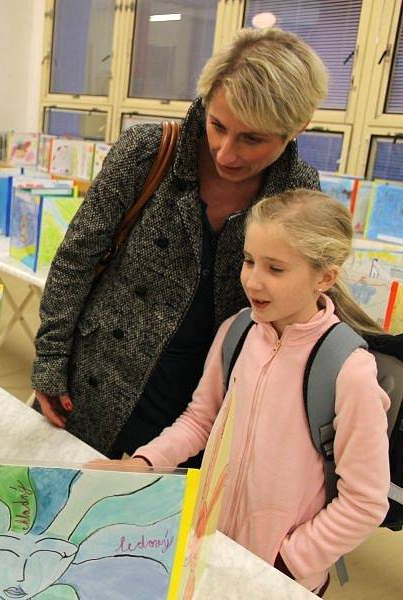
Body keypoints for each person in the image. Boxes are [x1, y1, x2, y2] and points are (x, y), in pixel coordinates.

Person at [31, 28, 329, 461]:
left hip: (203, 406)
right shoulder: (150, 152)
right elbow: (76, 258)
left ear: (297, 128)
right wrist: (50, 361)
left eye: (252, 138)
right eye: (218, 125)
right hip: (95, 380)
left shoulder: (297, 191)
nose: (226, 153)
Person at [115, 190, 390, 595]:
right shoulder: (237, 332)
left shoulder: (349, 370)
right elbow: (200, 421)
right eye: (248, 261)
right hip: (210, 548)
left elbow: (366, 501)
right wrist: (145, 462)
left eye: (275, 269)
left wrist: (288, 561)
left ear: (325, 277)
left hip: (278, 578)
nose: (252, 280)